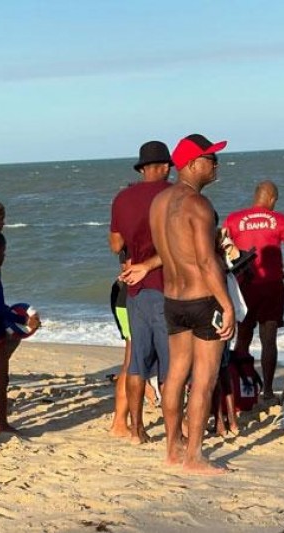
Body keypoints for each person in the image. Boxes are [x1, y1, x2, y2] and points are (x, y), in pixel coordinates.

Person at [150, 133, 235, 475]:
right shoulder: (198, 204)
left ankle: (173, 448)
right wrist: (227, 305)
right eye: (211, 159)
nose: (216, 165)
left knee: (175, 374)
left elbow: (173, 248)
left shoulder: (158, 202)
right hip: (202, 298)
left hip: (173, 299)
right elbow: (204, 261)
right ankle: (194, 457)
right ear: (192, 163)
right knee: (204, 379)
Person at [108, 140, 172, 444]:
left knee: (136, 362)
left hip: (134, 289)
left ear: (141, 168)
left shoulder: (122, 198)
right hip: (166, 284)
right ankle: (175, 430)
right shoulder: (173, 194)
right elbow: (180, 244)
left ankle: (136, 428)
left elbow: (115, 244)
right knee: (170, 364)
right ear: (164, 167)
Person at [223, 180, 284, 399]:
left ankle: (242, 387)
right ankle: (268, 391)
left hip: (244, 285)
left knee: (243, 337)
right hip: (271, 285)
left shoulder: (234, 219)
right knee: (268, 339)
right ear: (271, 198)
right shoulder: (279, 219)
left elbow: (222, 247)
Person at [0, 229, 40, 433]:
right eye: (3, 252)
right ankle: (2, 424)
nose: (4, 256)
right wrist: (23, 320)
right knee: (1, 380)